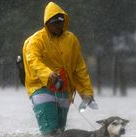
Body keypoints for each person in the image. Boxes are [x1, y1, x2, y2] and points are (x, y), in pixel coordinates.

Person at [22, 2, 95, 136]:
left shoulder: (71, 39)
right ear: (47, 22)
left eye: (61, 21)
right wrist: (48, 74)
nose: (58, 25)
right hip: (40, 87)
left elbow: (79, 67)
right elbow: (33, 60)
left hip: (64, 89)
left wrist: (86, 92)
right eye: (55, 22)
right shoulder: (36, 40)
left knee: (61, 133)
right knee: (50, 131)